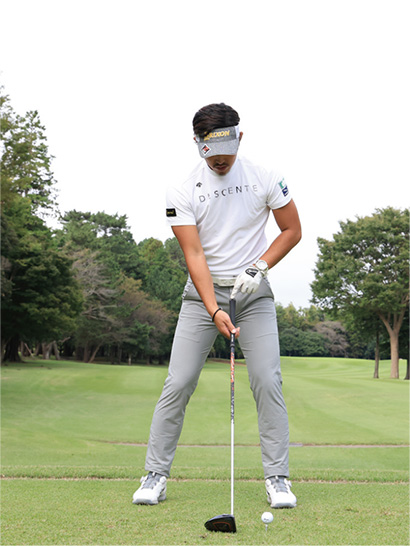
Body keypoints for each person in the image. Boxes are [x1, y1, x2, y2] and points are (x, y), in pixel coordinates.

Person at [132, 103, 301, 509]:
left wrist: (259, 267)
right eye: (212, 155)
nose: (220, 162)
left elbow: (292, 230)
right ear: (197, 144)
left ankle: (277, 479)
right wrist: (213, 309)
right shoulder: (182, 188)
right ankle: (155, 475)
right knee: (179, 381)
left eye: (227, 153)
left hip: (253, 293)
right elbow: (194, 255)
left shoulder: (265, 176)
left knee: (267, 380)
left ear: (239, 138)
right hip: (201, 297)